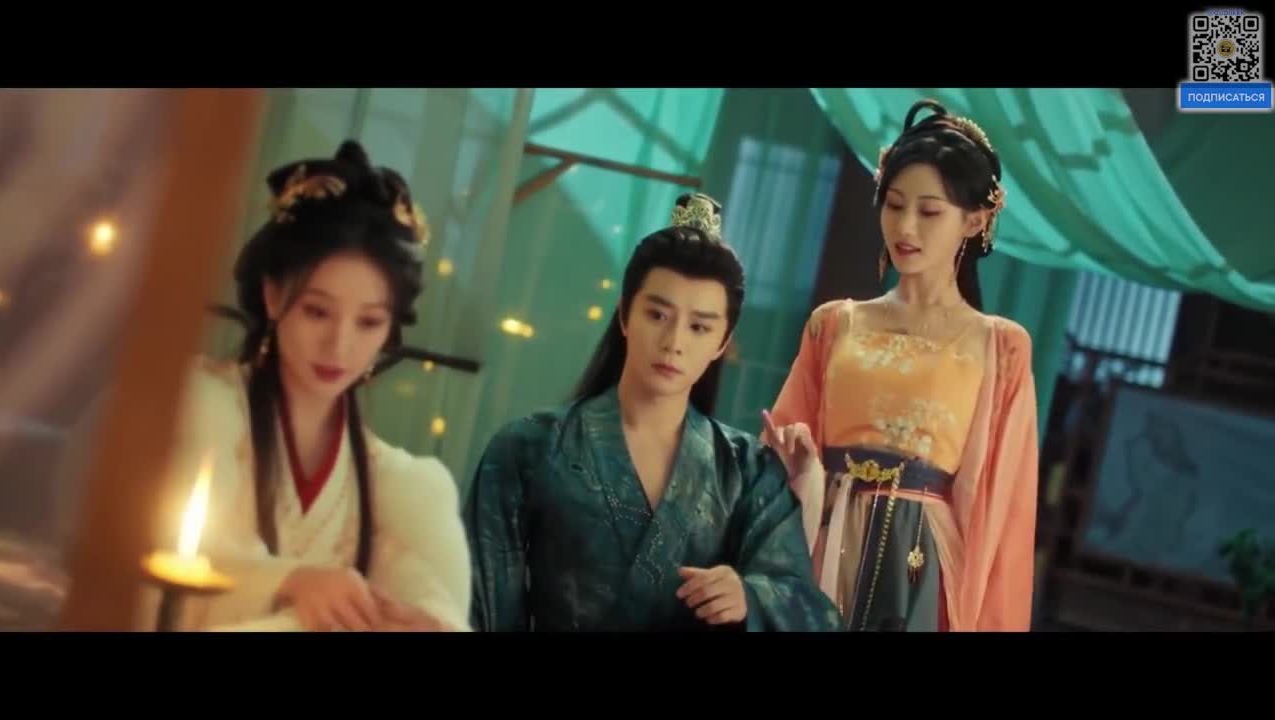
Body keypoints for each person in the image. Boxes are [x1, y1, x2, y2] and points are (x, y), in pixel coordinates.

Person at [463, 193, 842, 632]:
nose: (674, 342)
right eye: (658, 315)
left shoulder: (749, 474)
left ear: (721, 342)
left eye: (699, 326)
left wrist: (750, 598)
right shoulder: (529, 448)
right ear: (625, 315)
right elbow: (480, 606)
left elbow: (811, 613)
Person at [162, 140, 471, 632]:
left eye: (368, 322)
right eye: (317, 311)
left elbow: (436, 608)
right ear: (272, 295)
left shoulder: (403, 488)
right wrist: (290, 581)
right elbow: (151, 568)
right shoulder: (197, 408)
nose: (339, 346)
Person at [765, 100, 1039, 632]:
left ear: (975, 220)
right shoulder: (834, 324)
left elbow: (1004, 510)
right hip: (822, 537)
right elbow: (779, 452)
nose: (905, 226)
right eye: (893, 205)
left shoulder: (1000, 345)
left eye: (929, 212)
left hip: (921, 558)